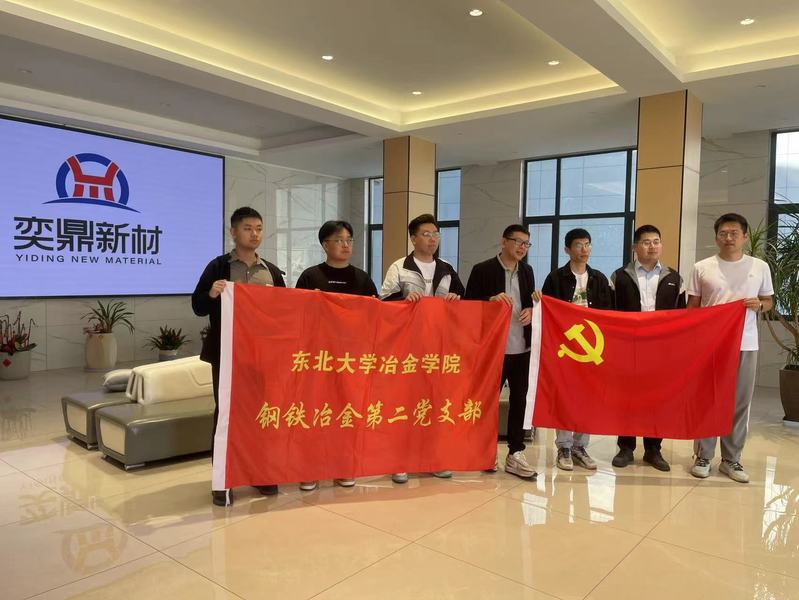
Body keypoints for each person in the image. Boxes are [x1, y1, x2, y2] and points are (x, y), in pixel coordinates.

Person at [192, 206, 286, 507]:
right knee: (226, 414)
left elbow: (284, 312)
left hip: (262, 356)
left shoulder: (271, 271)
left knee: (261, 413)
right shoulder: (218, 267)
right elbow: (197, 306)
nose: (254, 234)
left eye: (259, 228)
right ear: (233, 232)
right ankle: (223, 480)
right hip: (227, 354)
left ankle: (259, 472)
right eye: (247, 228)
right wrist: (212, 293)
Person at [687, 213, 774, 483]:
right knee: (708, 400)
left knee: (739, 403)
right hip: (710, 345)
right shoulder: (702, 267)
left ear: (745, 236)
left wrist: (759, 305)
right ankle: (703, 455)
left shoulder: (759, 267)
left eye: (734, 233)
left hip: (745, 344)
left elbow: (768, 301)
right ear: (716, 237)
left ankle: (731, 459)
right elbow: (692, 308)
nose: (728, 238)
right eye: (723, 233)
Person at [380, 213, 464, 483]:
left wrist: (456, 298)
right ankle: (400, 460)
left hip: (438, 348)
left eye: (435, 234)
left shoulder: (447, 268)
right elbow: (383, 302)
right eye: (426, 234)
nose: (432, 239)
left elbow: (464, 302)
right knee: (404, 404)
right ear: (413, 238)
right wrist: (403, 299)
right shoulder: (400, 267)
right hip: (407, 348)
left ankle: (433, 458)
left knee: (435, 404)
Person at [294, 220, 377, 491]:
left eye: (349, 240)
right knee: (315, 411)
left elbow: (376, 315)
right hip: (318, 357)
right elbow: (296, 315)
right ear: (324, 245)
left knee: (346, 412)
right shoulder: (310, 276)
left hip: (351, 358)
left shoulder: (362, 278)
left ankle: (343, 467)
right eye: (339, 240)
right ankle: (310, 469)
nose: (345, 245)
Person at [609, 225, 685, 472]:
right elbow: (609, 313)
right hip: (628, 347)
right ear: (635, 247)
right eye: (646, 242)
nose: (652, 246)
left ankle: (653, 449)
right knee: (627, 398)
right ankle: (626, 448)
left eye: (656, 241)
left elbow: (682, 316)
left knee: (657, 399)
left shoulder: (674, 278)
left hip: (661, 349)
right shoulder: (619, 277)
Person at [465, 224, 537, 479]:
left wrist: (532, 310)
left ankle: (515, 452)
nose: (522, 247)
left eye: (526, 243)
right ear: (504, 242)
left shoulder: (527, 271)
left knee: (519, 400)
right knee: (487, 401)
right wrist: (490, 301)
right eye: (518, 242)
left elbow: (529, 303)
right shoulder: (482, 270)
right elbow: (468, 306)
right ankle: (485, 451)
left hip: (522, 348)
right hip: (493, 349)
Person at [541, 227, 613, 471]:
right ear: (567, 249)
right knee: (565, 396)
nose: (584, 249)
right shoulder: (555, 278)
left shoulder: (599, 279)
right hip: (565, 348)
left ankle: (580, 446)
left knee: (588, 398)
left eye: (587, 244)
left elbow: (608, 315)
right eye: (579, 245)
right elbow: (548, 313)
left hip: (592, 349)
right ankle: (564, 446)